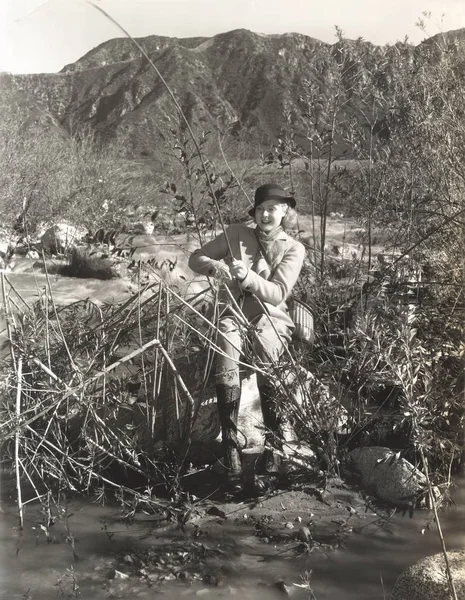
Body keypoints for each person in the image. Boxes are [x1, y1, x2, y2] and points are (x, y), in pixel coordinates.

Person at [188, 183, 305, 492]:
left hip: (271, 318)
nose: (266, 214)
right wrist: (218, 267)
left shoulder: (294, 247)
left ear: (284, 212)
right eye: (261, 209)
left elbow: (279, 293)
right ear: (254, 213)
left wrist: (247, 276)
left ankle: (273, 448)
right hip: (232, 316)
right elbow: (195, 259)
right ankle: (229, 447)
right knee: (226, 346)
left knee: (268, 351)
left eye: (273, 209)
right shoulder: (236, 233)